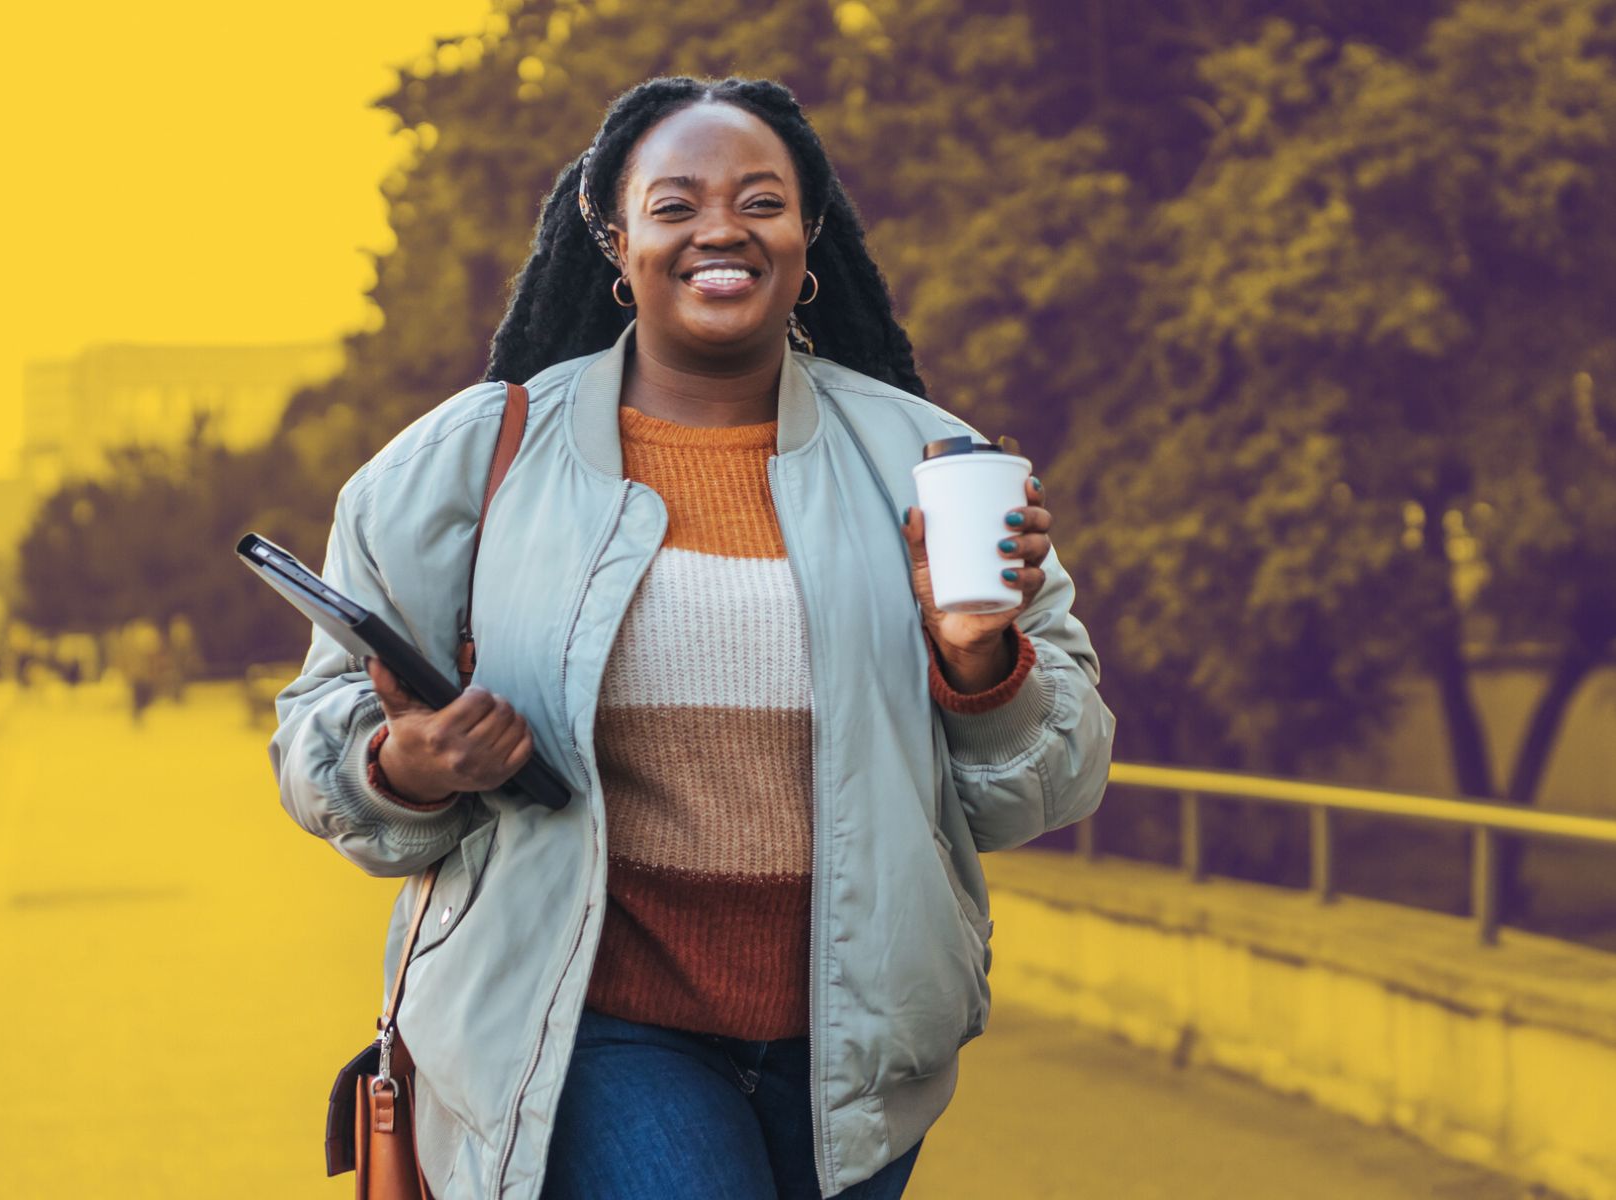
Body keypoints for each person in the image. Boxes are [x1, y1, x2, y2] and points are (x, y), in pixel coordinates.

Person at [269, 75, 1116, 1200]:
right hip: (591, 1023)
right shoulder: (472, 461)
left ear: (807, 236)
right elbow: (316, 733)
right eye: (674, 206)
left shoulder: (931, 464)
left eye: (759, 200)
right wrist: (403, 768)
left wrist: (978, 661)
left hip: (858, 1050)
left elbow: (1043, 787)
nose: (720, 227)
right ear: (614, 242)